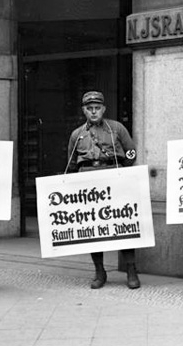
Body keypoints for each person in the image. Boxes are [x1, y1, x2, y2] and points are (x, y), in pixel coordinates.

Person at [66, 91, 140, 290]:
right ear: (84, 111)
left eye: (97, 108)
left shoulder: (116, 128)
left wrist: (122, 171)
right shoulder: (77, 134)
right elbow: (71, 164)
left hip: (113, 178)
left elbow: (131, 151)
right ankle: (99, 271)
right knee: (93, 229)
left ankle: (131, 270)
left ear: (103, 109)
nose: (93, 112)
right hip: (88, 181)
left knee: (123, 226)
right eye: (89, 109)